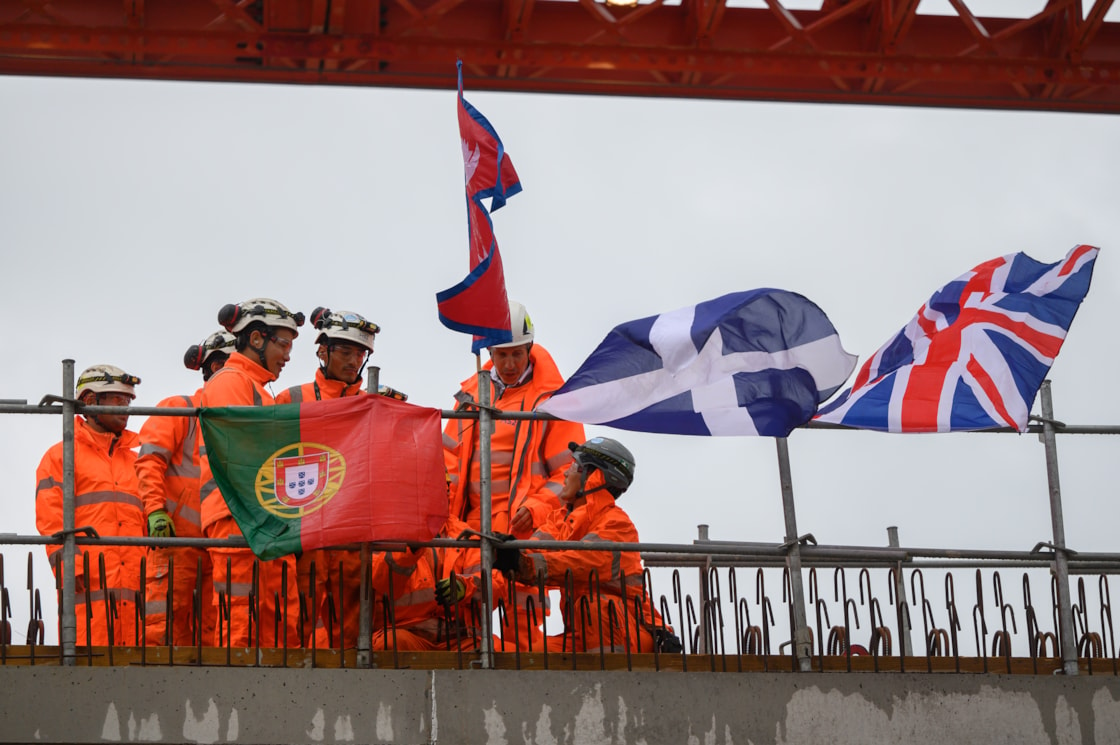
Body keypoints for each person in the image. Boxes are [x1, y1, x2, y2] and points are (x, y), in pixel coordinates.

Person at [443, 300, 585, 649]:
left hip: (525, 529)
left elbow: (570, 470)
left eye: (517, 355)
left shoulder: (553, 401)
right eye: (501, 354)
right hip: (472, 526)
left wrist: (537, 507)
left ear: (529, 349)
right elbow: (446, 458)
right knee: (466, 611)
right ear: (490, 351)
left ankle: (525, 691)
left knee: (524, 619)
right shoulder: (471, 396)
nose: (508, 364)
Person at [495, 437, 679, 654]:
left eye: (574, 466)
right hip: (585, 634)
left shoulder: (617, 524)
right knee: (537, 654)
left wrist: (525, 564)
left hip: (628, 633)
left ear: (594, 477)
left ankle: (612, 685)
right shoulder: (562, 520)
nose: (565, 474)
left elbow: (581, 562)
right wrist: (508, 552)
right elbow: (535, 549)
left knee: (596, 605)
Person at [199, 298, 304, 648]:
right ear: (257, 339)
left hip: (263, 519)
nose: (288, 355)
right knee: (242, 624)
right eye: (284, 344)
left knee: (278, 625)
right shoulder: (230, 381)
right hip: (239, 518)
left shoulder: (256, 388)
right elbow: (243, 457)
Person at [275, 307, 379, 649]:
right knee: (293, 625)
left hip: (352, 535)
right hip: (305, 533)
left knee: (351, 635)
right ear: (323, 351)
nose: (354, 360)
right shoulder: (291, 399)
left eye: (360, 353)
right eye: (346, 351)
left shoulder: (371, 405)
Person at [135, 330, 235, 647]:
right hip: (178, 538)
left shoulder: (241, 421)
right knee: (165, 625)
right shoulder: (180, 409)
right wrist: (155, 511)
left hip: (223, 540)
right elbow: (149, 462)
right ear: (214, 369)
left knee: (220, 627)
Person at [35, 364, 146, 646]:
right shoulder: (61, 457)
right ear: (91, 401)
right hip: (88, 590)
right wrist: (69, 568)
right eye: (118, 400)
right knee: (87, 673)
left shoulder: (138, 462)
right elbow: (51, 519)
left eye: (128, 401)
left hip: (138, 595)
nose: (126, 409)